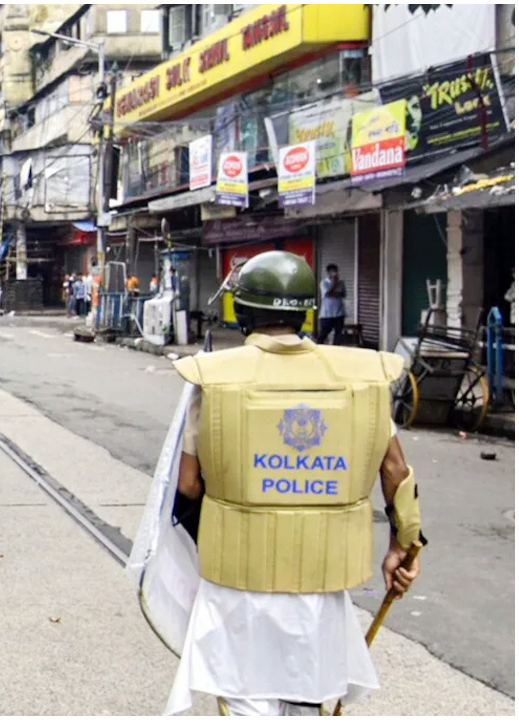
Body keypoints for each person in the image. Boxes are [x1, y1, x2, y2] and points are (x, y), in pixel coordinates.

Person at [165, 250, 424, 715]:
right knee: (307, 694)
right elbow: (395, 471)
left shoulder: (215, 380)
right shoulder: (361, 377)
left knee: (247, 699)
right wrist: (402, 546)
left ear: (242, 313)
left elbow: (188, 485)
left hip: (237, 581)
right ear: (306, 310)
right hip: (321, 581)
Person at [317, 263, 347, 345]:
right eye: (332, 271)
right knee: (323, 333)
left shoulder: (341, 283)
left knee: (338, 334)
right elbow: (327, 294)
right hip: (327, 314)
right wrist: (334, 283)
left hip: (339, 313)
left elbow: (343, 294)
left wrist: (334, 292)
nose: (335, 273)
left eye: (336, 271)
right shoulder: (324, 283)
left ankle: (336, 349)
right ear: (328, 272)